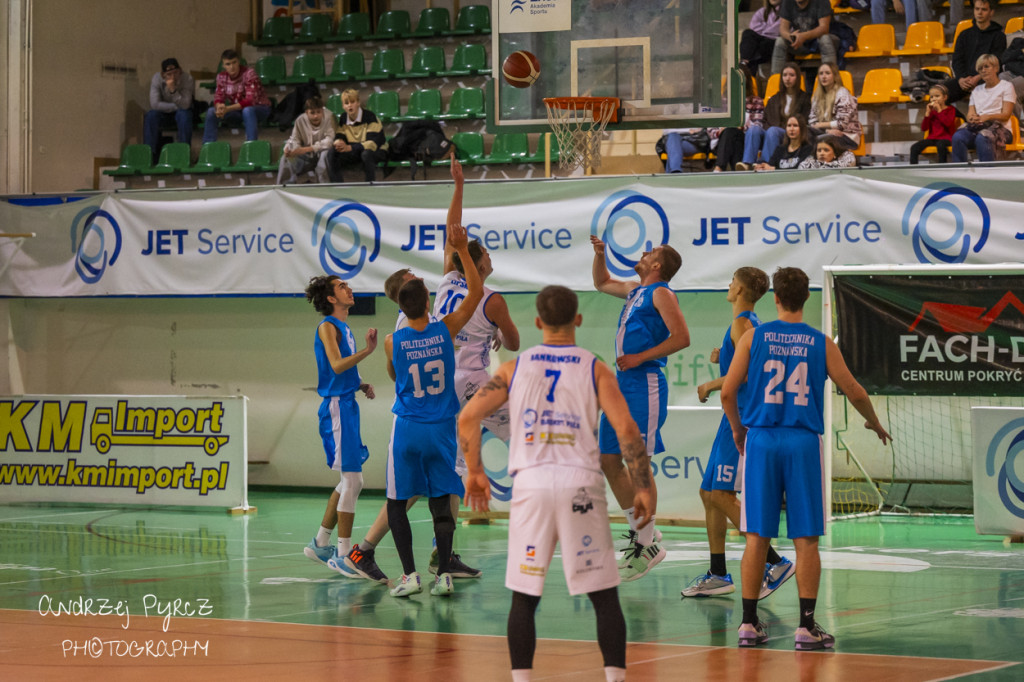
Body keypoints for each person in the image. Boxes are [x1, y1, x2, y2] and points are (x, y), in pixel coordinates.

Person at [459, 285, 658, 682]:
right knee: (603, 595)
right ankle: (615, 678)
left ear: (537, 322)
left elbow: (467, 417)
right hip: (580, 485)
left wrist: (476, 471)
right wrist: (643, 487)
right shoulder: (593, 366)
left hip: (531, 486)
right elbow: (627, 430)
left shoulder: (515, 368)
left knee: (524, 595)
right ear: (578, 320)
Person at [721, 267, 891, 650]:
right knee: (806, 540)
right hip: (801, 442)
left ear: (776, 298)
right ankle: (806, 627)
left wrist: (737, 429)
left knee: (755, 537)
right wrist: (874, 422)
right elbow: (854, 389)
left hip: (762, 440)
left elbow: (728, 393)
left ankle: (748, 624)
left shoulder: (753, 337)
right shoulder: (820, 342)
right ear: (807, 298)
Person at [683, 267, 796, 601]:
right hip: (738, 416)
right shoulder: (749, 325)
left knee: (720, 494)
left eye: (733, 281)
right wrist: (724, 358)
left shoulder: (742, 323)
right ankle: (718, 572)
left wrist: (711, 383)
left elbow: (747, 376)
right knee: (708, 493)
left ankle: (774, 562)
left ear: (743, 289)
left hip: (743, 418)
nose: (729, 285)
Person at [385, 221, 483, 598]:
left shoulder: (393, 341)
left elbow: (395, 376)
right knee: (442, 499)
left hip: (408, 427)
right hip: (441, 426)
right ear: (428, 303)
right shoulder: (446, 330)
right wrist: (461, 251)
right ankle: (443, 573)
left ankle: (409, 576)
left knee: (397, 502)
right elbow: (474, 292)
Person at [590, 234, 690, 581]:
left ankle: (647, 546)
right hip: (622, 386)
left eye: (650, 252)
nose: (643, 254)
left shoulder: (661, 292)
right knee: (607, 459)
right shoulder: (635, 289)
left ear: (658, 265)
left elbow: (681, 337)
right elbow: (601, 282)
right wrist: (600, 254)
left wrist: (639, 357)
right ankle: (644, 531)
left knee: (638, 462)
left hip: (644, 383)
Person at [301, 275, 378, 578]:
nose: (349, 289)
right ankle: (344, 554)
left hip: (346, 403)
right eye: (342, 287)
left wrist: (360, 383)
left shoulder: (344, 327)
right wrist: (368, 352)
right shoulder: (327, 326)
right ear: (331, 298)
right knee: (353, 481)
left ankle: (321, 542)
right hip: (336, 407)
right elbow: (335, 365)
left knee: (348, 480)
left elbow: (343, 369)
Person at [952, 53, 1016, 162]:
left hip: (1002, 129)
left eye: (986, 66)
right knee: (958, 137)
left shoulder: (1006, 86)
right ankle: (960, 173)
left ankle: (987, 173)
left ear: (996, 68)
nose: (983, 70)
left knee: (983, 136)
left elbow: (1006, 115)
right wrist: (973, 118)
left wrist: (987, 117)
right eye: (980, 68)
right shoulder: (976, 90)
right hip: (979, 126)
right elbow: (970, 115)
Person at [942, 0, 1006, 106]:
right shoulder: (964, 35)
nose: (979, 13)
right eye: (977, 9)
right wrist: (961, 78)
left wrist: (978, 77)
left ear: (991, 12)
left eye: (984, 9)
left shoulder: (998, 36)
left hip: (985, 79)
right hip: (964, 80)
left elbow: (996, 61)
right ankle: (958, 118)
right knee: (938, 94)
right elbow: (957, 60)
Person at [203, 49, 272, 143]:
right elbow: (218, 96)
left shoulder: (249, 73)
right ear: (223, 65)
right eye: (228, 64)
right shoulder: (221, 76)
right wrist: (220, 107)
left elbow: (250, 101)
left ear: (238, 61)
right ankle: (208, 148)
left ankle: (251, 146)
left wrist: (228, 108)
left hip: (259, 108)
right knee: (211, 111)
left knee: (247, 110)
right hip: (236, 110)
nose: (232, 67)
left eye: (234, 62)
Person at [325, 88, 388, 183]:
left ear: (358, 103)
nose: (350, 105)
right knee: (332, 153)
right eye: (346, 103)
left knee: (366, 154)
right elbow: (340, 134)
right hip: (356, 149)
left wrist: (349, 148)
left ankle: (369, 185)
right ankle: (337, 186)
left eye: (352, 102)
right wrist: (338, 141)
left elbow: (372, 144)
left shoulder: (370, 117)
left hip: (378, 150)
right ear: (343, 106)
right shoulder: (343, 118)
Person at [758, 62, 812, 165]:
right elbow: (764, 120)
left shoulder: (805, 98)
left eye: (792, 75)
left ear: (798, 78)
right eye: (785, 75)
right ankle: (747, 164)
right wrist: (768, 130)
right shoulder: (774, 99)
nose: (787, 78)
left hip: (790, 132)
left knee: (773, 131)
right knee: (756, 130)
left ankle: (766, 163)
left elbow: (804, 120)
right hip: (772, 132)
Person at [143, 57, 194, 164]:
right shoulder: (156, 79)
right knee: (151, 115)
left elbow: (186, 104)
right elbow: (155, 104)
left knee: (184, 115)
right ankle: (149, 154)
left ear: (180, 70)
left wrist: (173, 91)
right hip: (165, 112)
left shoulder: (187, 79)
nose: (173, 77)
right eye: (169, 75)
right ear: (163, 75)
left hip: (182, 112)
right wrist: (176, 106)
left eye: (175, 73)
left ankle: (183, 152)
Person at [277, 96, 336, 185]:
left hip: (322, 152)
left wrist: (308, 149)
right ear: (306, 113)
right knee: (286, 157)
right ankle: (284, 186)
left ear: (322, 111)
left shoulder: (329, 117)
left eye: (318, 112)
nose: (316, 116)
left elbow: (330, 141)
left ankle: (324, 184)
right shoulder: (300, 120)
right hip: (305, 155)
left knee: (326, 154)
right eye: (312, 113)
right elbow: (294, 139)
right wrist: (290, 149)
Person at [712, 73, 765, 172]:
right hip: (722, 140)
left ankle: (719, 168)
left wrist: (742, 127)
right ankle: (738, 173)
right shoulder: (720, 102)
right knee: (730, 131)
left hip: (744, 139)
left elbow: (757, 125)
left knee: (733, 132)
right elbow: (710, 126)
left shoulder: (756, 101)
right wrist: (719, 131)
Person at [771, 0, 837, 75]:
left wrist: (804, 36)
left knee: (825, 39)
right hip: (799, 43)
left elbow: (824, 28)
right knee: (780, 41)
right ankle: (775, 80)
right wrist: (790, 36)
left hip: (818, 42)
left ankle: (832, 78)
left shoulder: (821, 1)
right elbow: (783, 29)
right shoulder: (787, 2)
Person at [808, 62, 861, 150]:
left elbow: (841, 124)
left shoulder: (843, 94)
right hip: (826, 133)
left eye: (827, 73)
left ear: (835, 76)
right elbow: (812, 123)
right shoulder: (816, 97)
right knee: (804, 132)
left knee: (813, 140)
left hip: (846, 136)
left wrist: (821, 125)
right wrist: (827, 130)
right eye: (821, 73)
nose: (824, 76)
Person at [909, 84, 958, 164]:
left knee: (941, 145)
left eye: (937, 96)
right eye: (932, 97)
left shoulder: (951, 109)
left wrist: (939, 110)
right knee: (914, 147)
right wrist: (927, 113)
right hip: (932, 138)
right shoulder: (932, 111)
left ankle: (942, 167)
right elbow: (924, 128)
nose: (934, 99)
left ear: (945, 97)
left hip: (946, 138)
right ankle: (913, 169)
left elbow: (948, 124)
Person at [741, 0, 782, 78]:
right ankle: (744, 61)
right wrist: (769, 28)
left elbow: (778, 30)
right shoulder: (762, 11)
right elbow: (753, 26)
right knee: (747, 33)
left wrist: (763, 27)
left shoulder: (786, 12)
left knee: (763, 44)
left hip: (774, 43)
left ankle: (745, 66)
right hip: (761, 40)